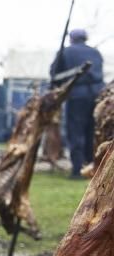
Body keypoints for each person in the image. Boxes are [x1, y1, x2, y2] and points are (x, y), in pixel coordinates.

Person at [51, 28, 105, 178]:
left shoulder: (66, 52)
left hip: (76, 96)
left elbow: (54, 75)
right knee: (92, 132)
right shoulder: (96, 53)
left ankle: (77, 170)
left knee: (76, 132)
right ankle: (90, 165)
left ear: (71, 39)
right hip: (97, 96)